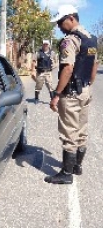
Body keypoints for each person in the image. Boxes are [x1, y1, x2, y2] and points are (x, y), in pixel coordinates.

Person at [44, 4, 98, 184]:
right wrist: (88, 85)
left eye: (60, 22)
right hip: (85, 90)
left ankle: (66, 173)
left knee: (69, 133)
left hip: (72, 93)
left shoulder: (70, 40)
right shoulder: (91, 38)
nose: (59, 27)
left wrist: (57, 94)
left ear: (71, 18)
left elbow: (68, 68)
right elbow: (94, 66)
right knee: (82, 130)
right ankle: (77, 166)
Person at [31, 40, 57, 104]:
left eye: (46, 44)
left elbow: (56, 61)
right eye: (44, 44)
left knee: (50, 86)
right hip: (40, 72)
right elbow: (33, 61)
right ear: (42, 45)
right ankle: (36, 98)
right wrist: (33, 71)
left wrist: (53, 66)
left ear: (48, 45)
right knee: (38, 86)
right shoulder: (38, 53)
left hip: (48, 72)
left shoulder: (52, 53)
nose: (45, 45)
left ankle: (53, 100)